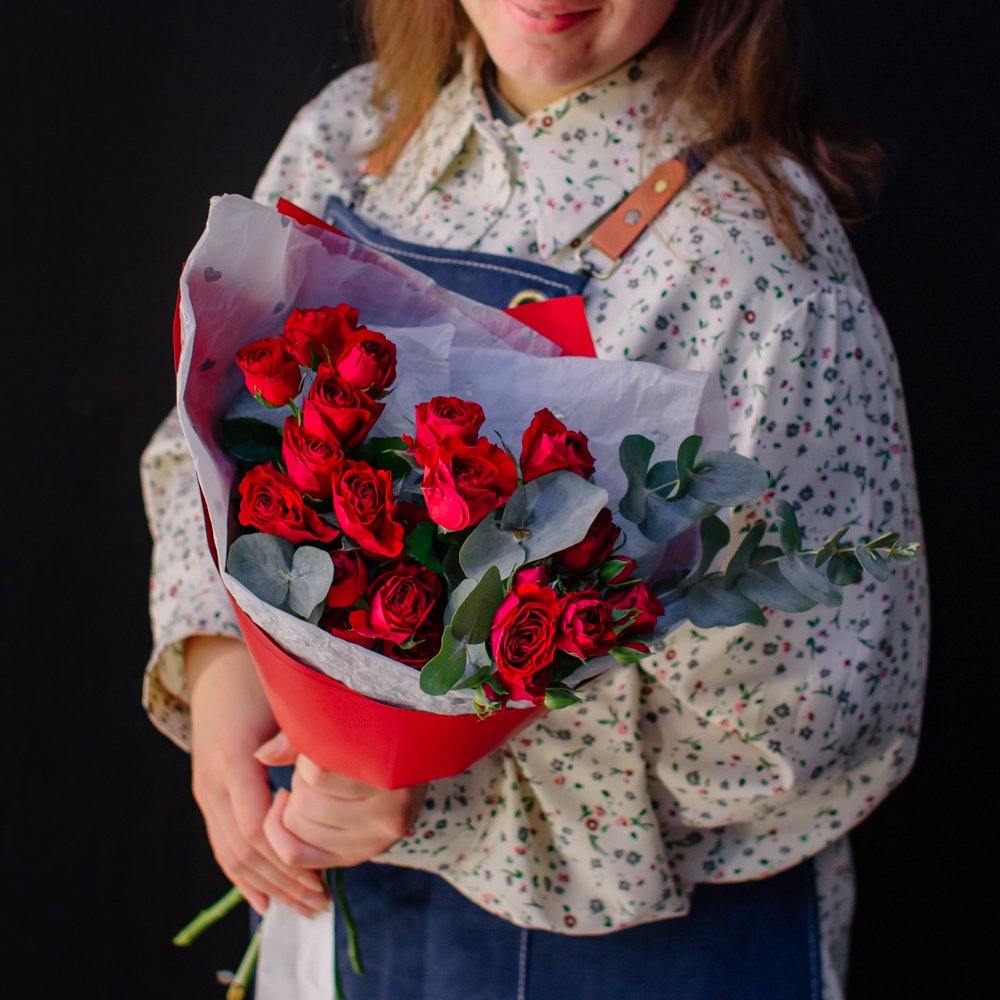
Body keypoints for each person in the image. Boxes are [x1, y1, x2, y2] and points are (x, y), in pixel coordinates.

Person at [141, 1, 927, 997]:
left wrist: (426, 776)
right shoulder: (356, 135)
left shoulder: (756, 264)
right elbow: (205, 440)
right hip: (330, 873)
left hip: (626, 949)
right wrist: (222, 673)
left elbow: (811, 713)